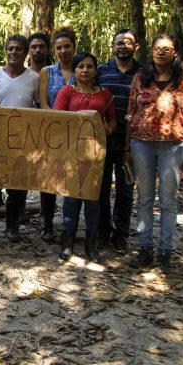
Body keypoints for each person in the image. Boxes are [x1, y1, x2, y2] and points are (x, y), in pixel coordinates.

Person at [125, 34, 183, 275]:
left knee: (168, 201)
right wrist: (126, 149)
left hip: (173, 146)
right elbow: (130, 114)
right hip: (141, 145)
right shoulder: (140, 78)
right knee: (145, 198)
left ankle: (165, 251)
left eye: (166, 49)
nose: (161, 52)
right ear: (152, 51)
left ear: (175, 52)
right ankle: (145, 248)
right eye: (157, 48)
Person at [53, 52, 116, 262]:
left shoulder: (105, 94)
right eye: (81, 66)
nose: (85, 70)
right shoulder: (67, 91)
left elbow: (112, 122)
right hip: (71, 152)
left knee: (93, 199)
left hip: (97, 153)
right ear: (75, 70)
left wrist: (107, 128)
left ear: (96, 70)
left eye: (89, 66)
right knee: (71, 198)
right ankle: (68, 242)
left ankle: (91, 244)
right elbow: (56, 119)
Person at [0, 34, 40, 242]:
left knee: (17, 186)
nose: (14, 52)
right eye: (10, 48)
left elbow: (39, 107)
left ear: (25, 53)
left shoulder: (34, 78)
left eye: (18, 49)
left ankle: (12, 226)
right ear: (6, 51)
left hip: (22, 141)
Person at [97, 29, 142, 254]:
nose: (123, 46)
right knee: (101, 188)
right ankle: (102, 232)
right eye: (119, 43)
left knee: (125, 190)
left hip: (133, 142)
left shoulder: (144, 73)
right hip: (102, 140)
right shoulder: (101, 71)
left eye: (127, 43)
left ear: (136, 47)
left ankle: (121, 235)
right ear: (112, 47)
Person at [38, 28, 77, 242]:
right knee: (49, 179)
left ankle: (70, 225)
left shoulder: (83, 68)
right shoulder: (47, 72)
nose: (63, 51)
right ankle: (47, 225)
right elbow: (43, 102)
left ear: (74, 47)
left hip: (77, 135)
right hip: (52, 132)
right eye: (59, 47)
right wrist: (57, 121)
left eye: (67, 46)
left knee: (73, 178)